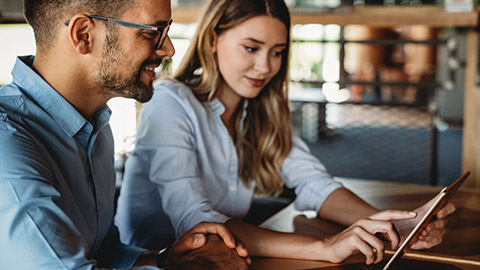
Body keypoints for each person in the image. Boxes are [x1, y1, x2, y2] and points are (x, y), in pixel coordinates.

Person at [115, 0, 455, 266]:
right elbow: (197, 222)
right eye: (251, 48)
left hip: (229, 259)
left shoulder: (259, 110)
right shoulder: (170, 101)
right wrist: (326, 247)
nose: (266, 66)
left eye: (277, 52)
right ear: (213, 39)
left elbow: (314, 184)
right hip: (158, 263)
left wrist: (394, 227)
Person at [0, 0, 250, 269]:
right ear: (83, 35)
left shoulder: (96, 128)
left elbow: (102, 253)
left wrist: (166, 258)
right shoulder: (8, 141)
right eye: (152, 32)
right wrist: (201, 267)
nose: (168, 49)